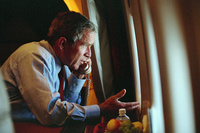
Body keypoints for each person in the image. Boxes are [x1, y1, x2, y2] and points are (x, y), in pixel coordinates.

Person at [1, 11, 139, 131]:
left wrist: (79, 75)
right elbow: (51, 114)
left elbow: (67, 104)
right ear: (63, 44)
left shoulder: (64, 64)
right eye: (86, 46)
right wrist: (101, 109)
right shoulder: (33, 57)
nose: (89, 54)